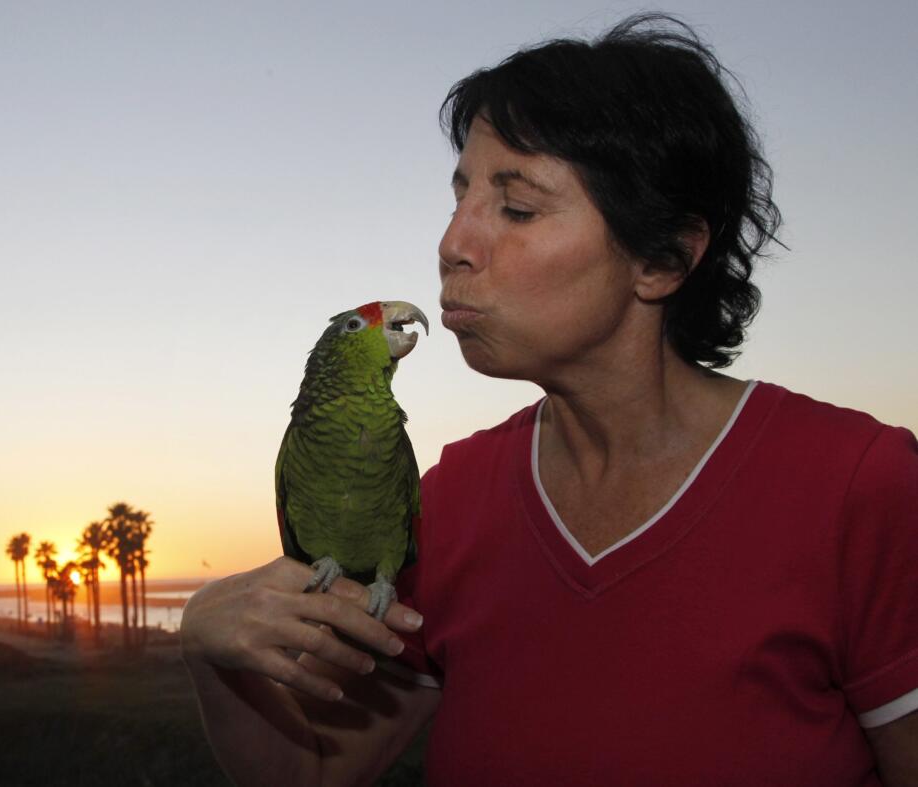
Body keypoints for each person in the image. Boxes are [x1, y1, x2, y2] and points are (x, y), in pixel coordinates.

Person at [180, 13, 918, 786]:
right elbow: (315, 773)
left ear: (663, 259)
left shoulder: (856, 485)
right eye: (460, 195)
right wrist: (208, 647)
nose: (453, 242)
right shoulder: (451, 500)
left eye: (517, 208)